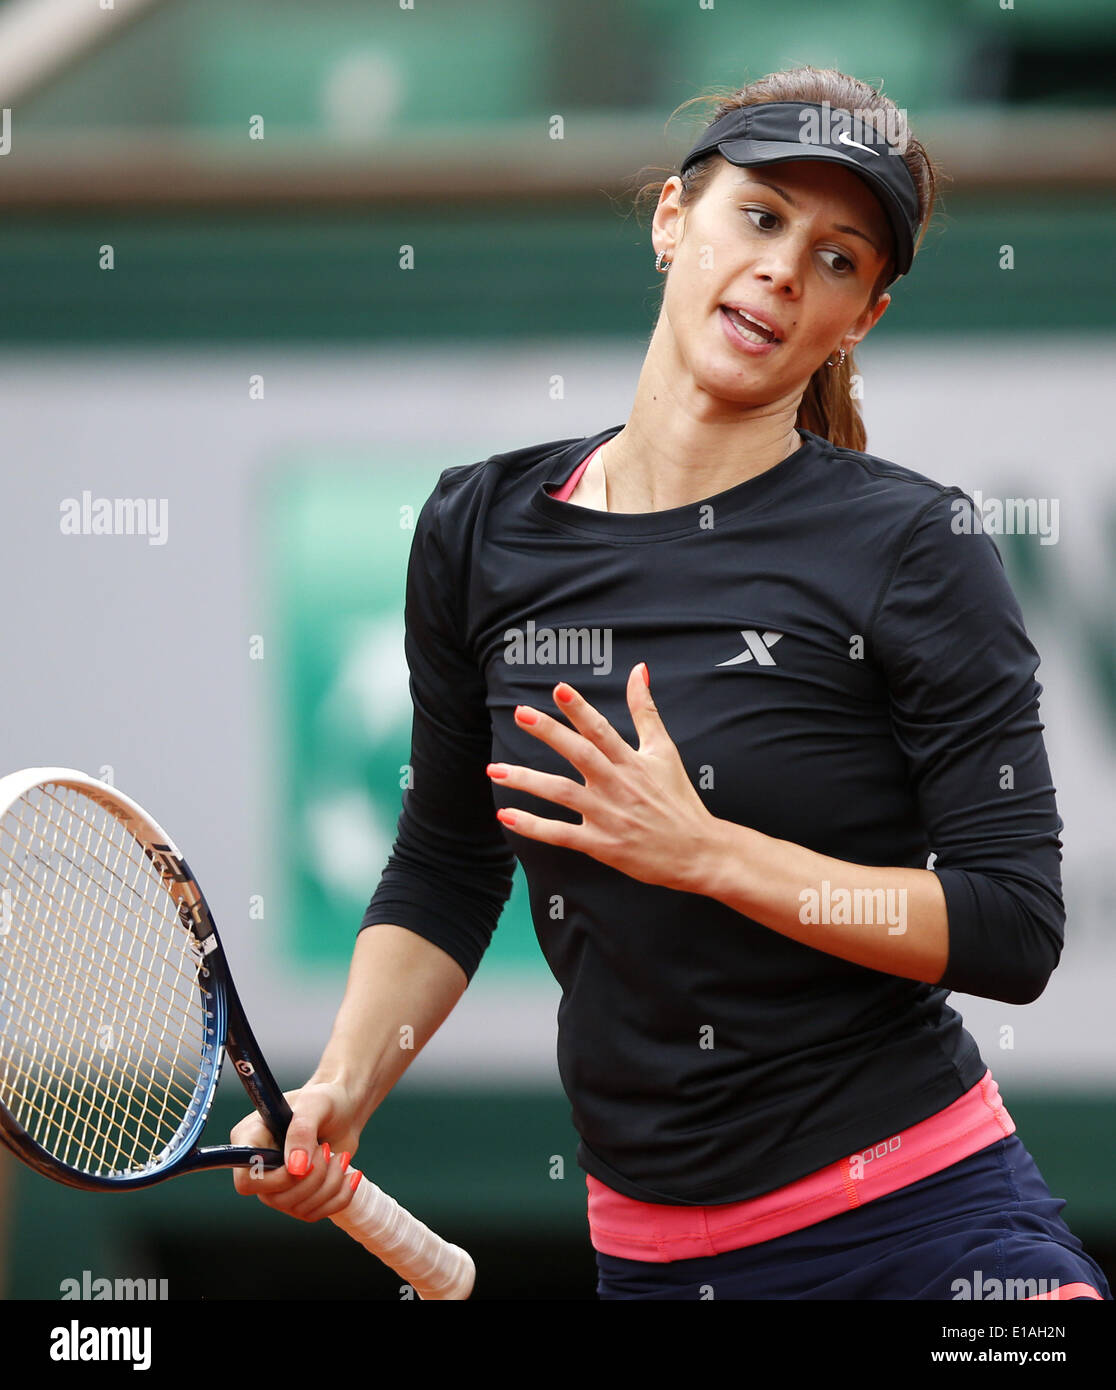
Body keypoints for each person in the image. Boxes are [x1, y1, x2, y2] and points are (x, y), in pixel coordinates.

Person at [232, 65, 1111, 1301]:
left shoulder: (919, 548)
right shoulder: (478, 528)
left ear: (860, 318)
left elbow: (1014, 926)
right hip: (651, 1262)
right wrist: (343, 1084)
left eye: (838, 258)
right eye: (758, 217)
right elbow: (445, 863)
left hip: (923, 1231)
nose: (784, 271)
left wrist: (709, 854)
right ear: (671, 220)